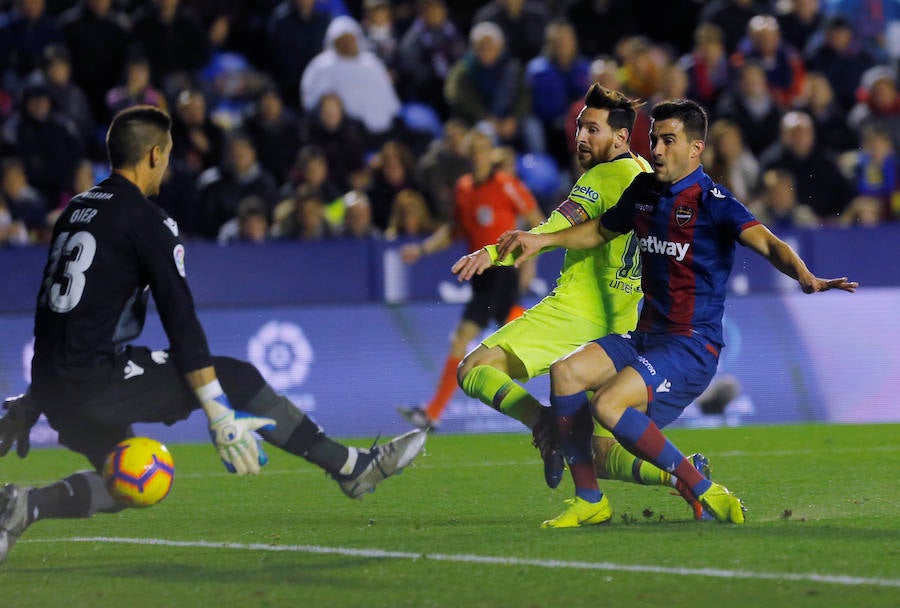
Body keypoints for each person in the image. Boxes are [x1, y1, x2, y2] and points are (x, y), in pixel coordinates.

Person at [0, 106, 426, 565]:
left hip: (59, 384)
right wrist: (218, 412)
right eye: (167, 155)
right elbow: (181, 320)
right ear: (154, 154)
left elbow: (57, 315)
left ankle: (27, 506)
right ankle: (352, 468)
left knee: (130, 478)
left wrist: (34, 399)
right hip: (95, 379)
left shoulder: (75, 211)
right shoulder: (148, 220)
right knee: (236, 376)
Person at [492, 99, 856, 527]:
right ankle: (590, 501)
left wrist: (804, 276)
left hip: (690, 345)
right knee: (565, 373)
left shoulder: (713, 201)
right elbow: (597, 230)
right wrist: (542, 240)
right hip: (647, 337)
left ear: (695, 148)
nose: (658, 150)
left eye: (669, 141)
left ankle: (704, 490)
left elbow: (769, 242)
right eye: (654, 140)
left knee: (607, 406)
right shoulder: (644, 192)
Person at [451, 85, 713, 521]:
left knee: (474, 368)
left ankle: (544, 426)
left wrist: (493, 253)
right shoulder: (648, 173)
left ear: (621, 138)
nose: (581, 138)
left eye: (593, 129)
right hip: (625, 328)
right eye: (579, 128)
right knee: (597, 448)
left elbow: (553, 229)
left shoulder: (603, 179)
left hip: (574, 315)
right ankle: (682, 478)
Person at [397, 129, 544, 430]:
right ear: (467, 155)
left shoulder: (507, 185)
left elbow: (537, 222)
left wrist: (530, 262)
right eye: (473, 151)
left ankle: (432, 414)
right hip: (480, 277)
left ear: (491, 154)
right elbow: (455, 231)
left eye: (482, 150)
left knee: (464, 337)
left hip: (503, 270)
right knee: (523, 335)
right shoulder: (463, 189)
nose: (478, 156)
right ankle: (573, 373)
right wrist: (422, 248)